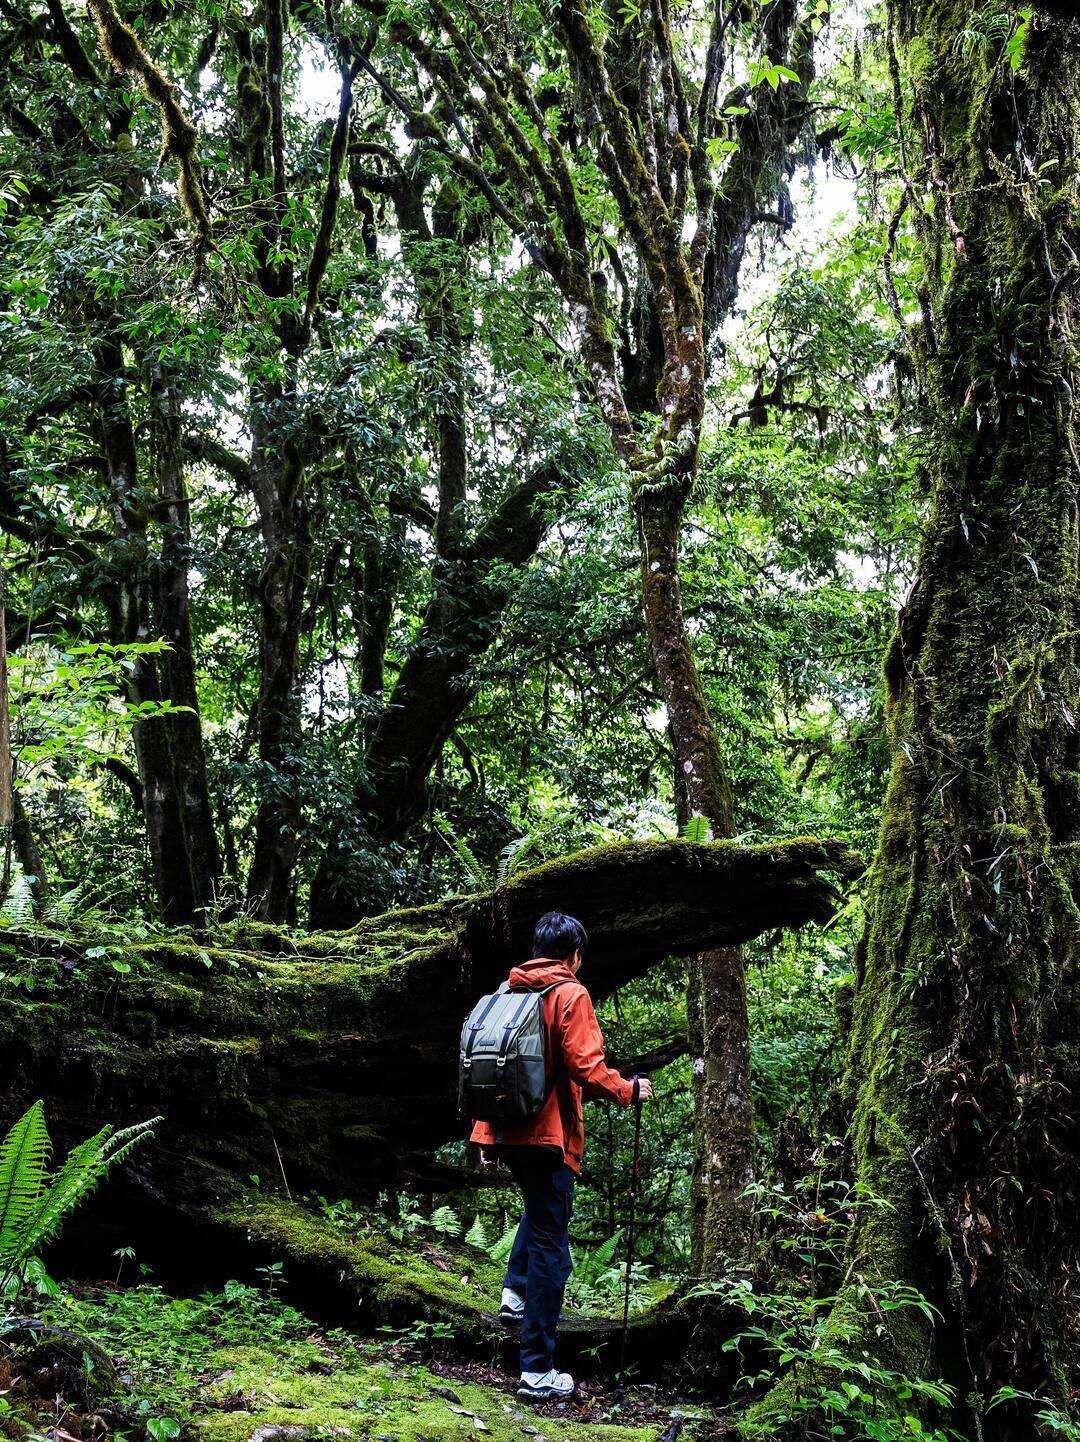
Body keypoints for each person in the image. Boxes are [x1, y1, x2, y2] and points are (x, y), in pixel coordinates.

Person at [470, 910, 653, 1401]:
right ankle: (535, 1371)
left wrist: (484, 1134)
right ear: (574, 956)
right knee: (554, 1248)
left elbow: (486, 1066)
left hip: (508, 1132)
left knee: (540, 1212)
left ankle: (513, 1293)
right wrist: (627, 1090)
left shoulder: (508, 993)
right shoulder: (570, 993)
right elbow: (586, 1066)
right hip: (548, 1137)